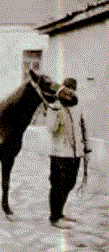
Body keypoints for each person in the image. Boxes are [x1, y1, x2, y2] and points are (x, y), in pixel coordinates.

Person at [46, 77, 89, 228]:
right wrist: (54, 110)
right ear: (62, 89)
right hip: (59, 153)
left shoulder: (77, 107)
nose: (70, 92)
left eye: (72, 89)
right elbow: (51, 129)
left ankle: (60, 213)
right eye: (67, 89)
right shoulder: (55, 107)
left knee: (70, 184)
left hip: (75, 153)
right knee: (58, 185)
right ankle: (54, 217)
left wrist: (87, 148)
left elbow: (83, 127)